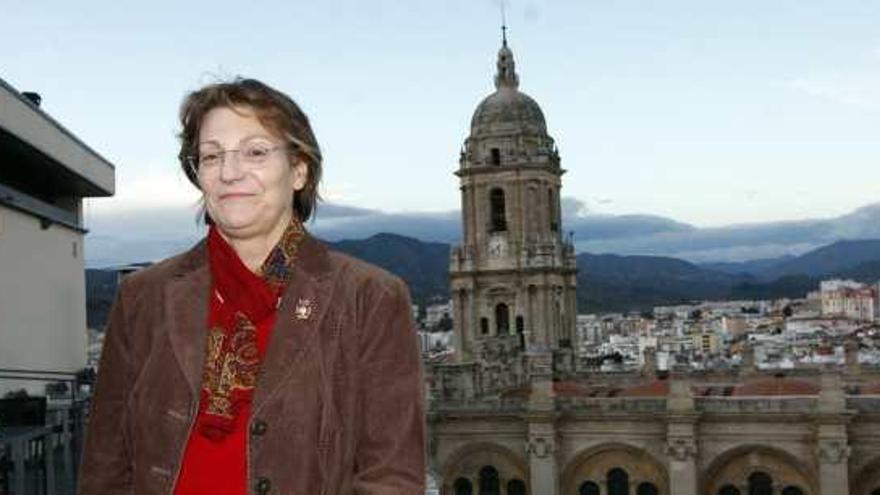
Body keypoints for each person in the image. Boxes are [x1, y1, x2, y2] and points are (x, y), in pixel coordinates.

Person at [78, 78, 426, 494]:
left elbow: (391, 477)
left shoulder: (369, 298)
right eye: (211, 156)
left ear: (299, 170)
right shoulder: (144, 297)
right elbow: (105, 465)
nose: (229, 172)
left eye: (255, 152)